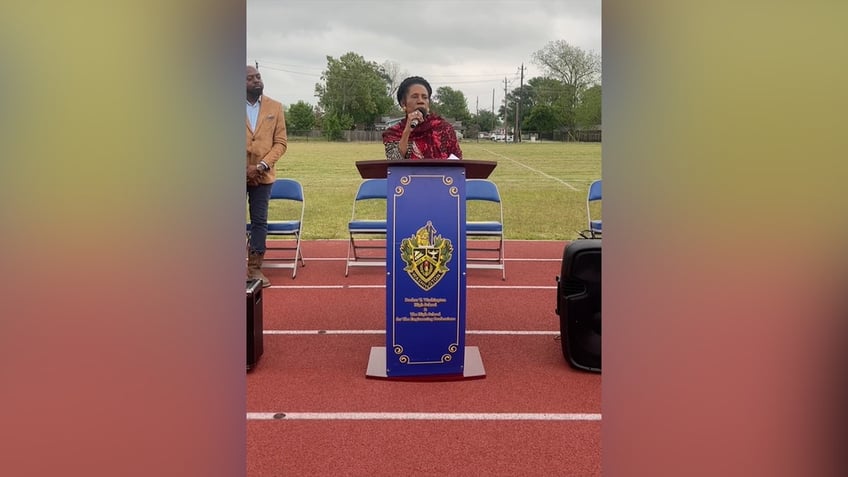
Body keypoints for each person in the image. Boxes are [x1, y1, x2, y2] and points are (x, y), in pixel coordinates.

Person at [246, 65, 287, 287]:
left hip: (263, 174)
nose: (256, 81)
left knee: (259, 222)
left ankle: (255, 269)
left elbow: (280, 143)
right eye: (250, 78)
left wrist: (260, 166)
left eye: (258, 77)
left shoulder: (276, 107)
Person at [383, 76, 462, 160]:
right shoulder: (393, 133)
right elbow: (395, 163)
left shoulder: (444, 129)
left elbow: (457, 162)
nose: (420, 101)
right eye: (415, 96)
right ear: (403, 103)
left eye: (424, 97)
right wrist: (407, 131)